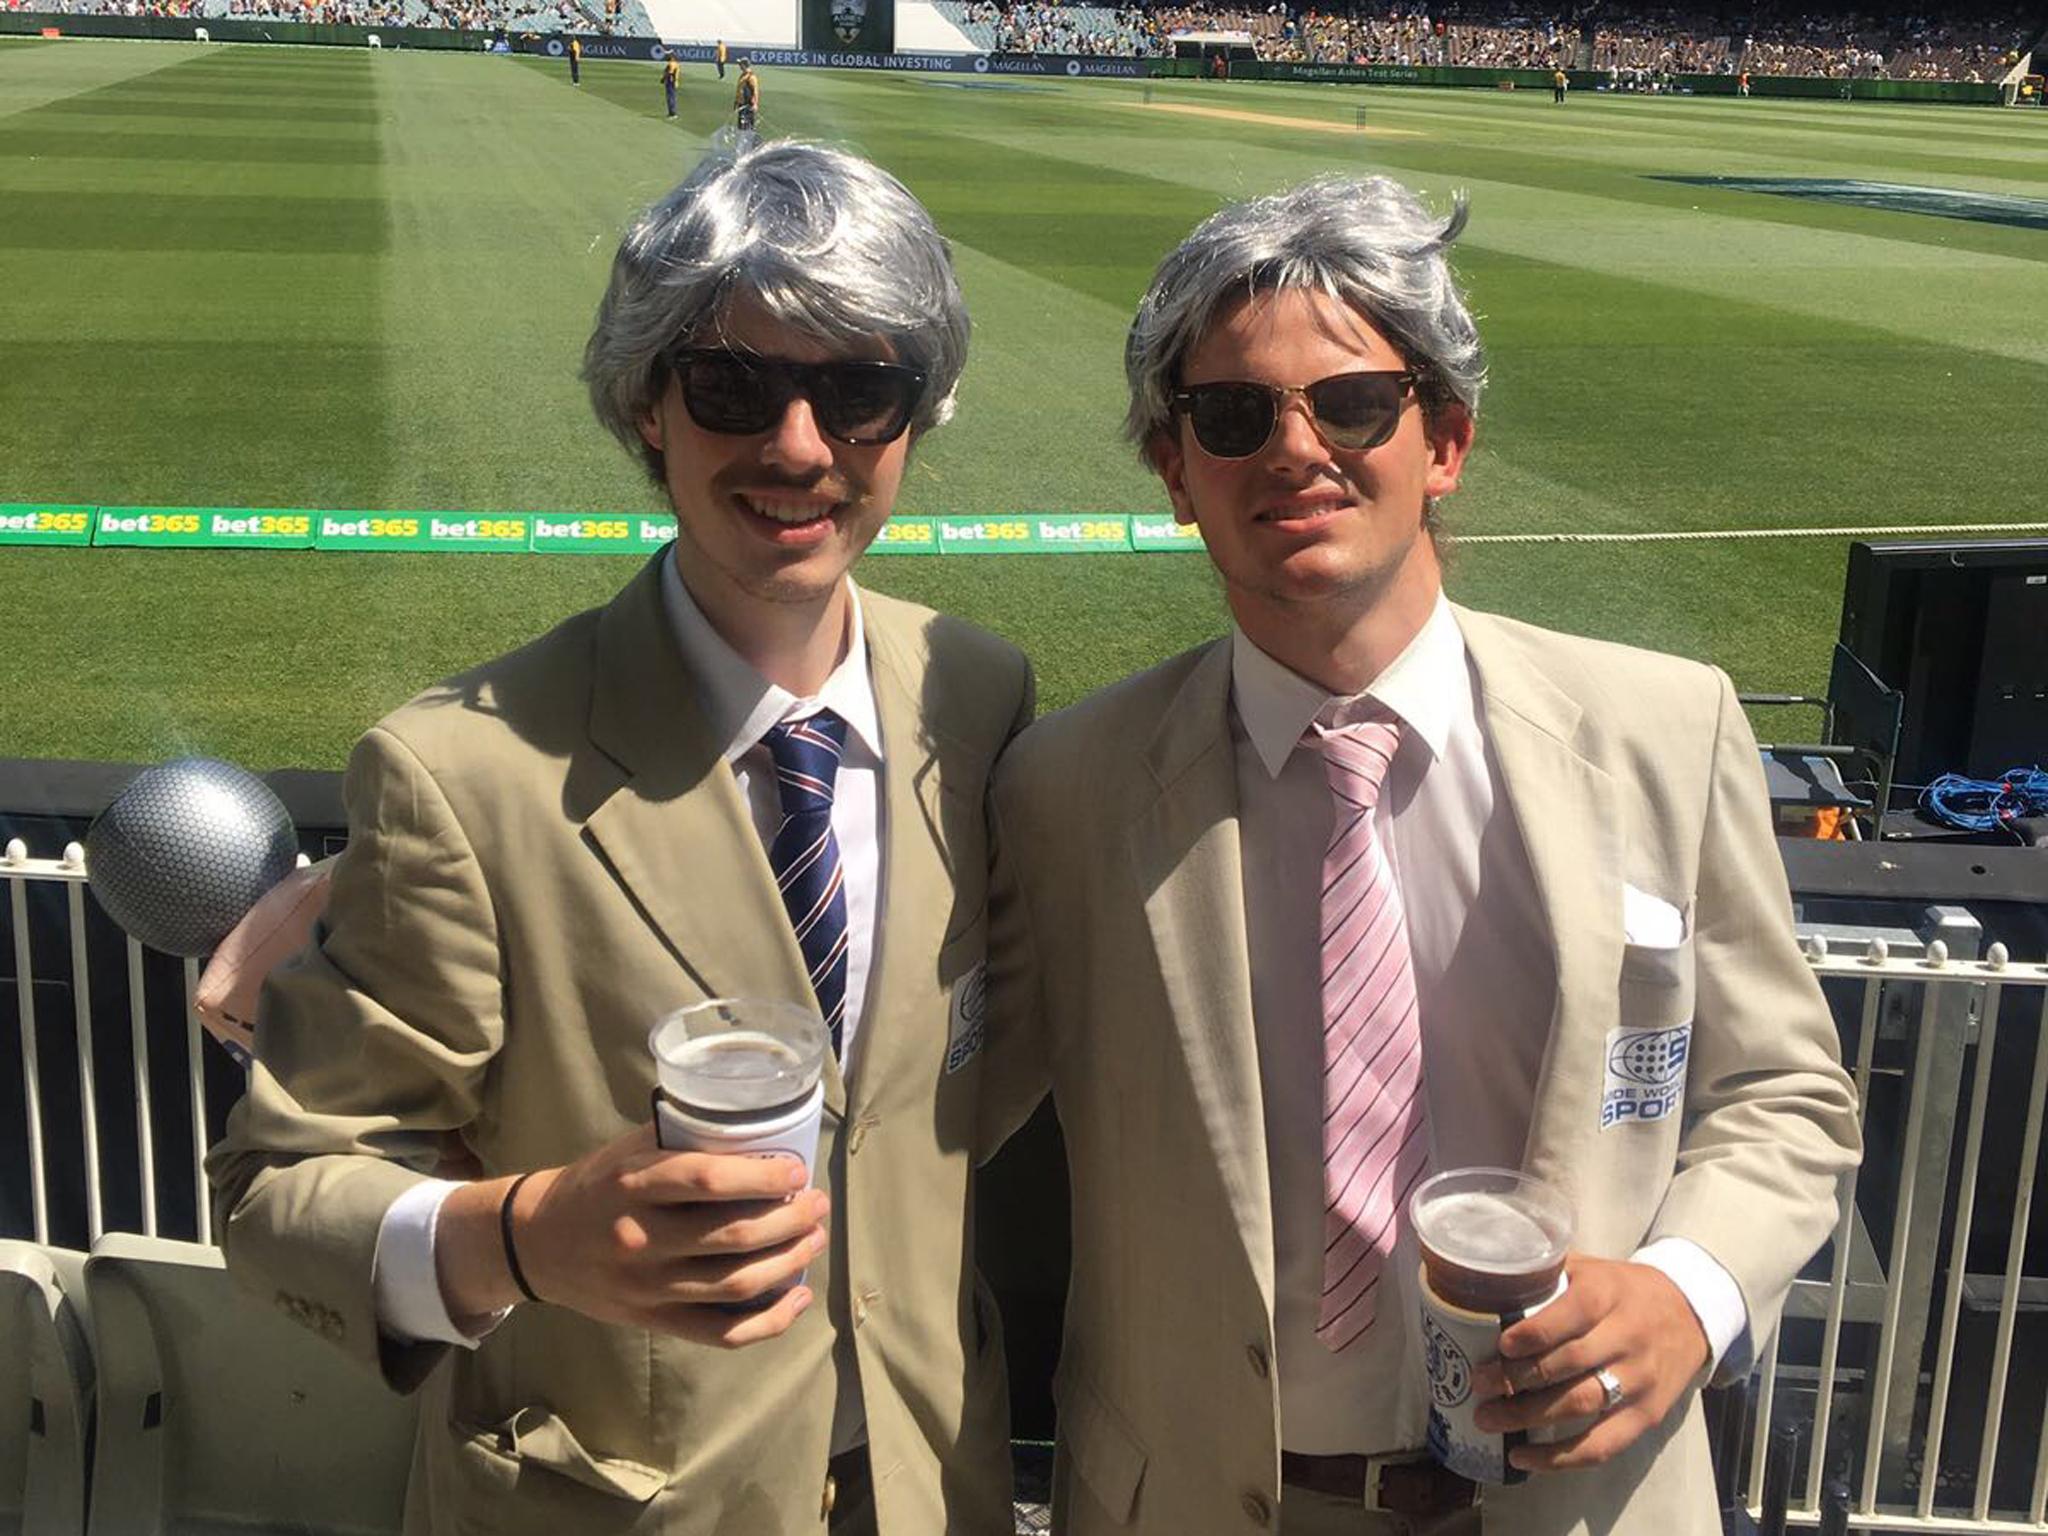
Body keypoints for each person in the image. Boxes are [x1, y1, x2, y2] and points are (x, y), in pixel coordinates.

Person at [980, 174, 1860, 1535]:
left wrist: (1688, 1293)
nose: (1294, 448)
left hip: (1586, 1503)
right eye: (1229, 416)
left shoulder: (1665, 730)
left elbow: (1787, 1100)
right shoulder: (1066, 789)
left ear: (1442, 438)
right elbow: (933, 1113)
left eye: (1352, 402)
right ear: (1176, 475)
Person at [209, 139, 1032, 1536]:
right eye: (731, 385)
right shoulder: (462, 771)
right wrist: (520, 1240)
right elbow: (279, 1189)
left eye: (859, 392)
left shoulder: (979, 689)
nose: (797, 446)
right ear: (647, 406)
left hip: (927, 1485)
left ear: (916, 416)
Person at [734, 59, 760, 135]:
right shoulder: (743, 75)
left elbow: (755, 91)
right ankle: (743, 142)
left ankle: (752, 143)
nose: (739, 66)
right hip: (741, 104)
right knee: (741, 125)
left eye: (740, 64)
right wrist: (736, 102)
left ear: (744, 65)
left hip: (748, 104)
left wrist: (755, 104)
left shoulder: (751, 77)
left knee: (748, 125)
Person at [662, 47, 679, 116]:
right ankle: (671, 112)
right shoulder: (673, 63)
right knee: (670, 97)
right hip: (671, 82)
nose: (666, 56)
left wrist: (663, 78)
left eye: (668, 55)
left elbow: (670, 73)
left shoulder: (672, 64)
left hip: (671, 82)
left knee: (671, 97)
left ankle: (673, 113)